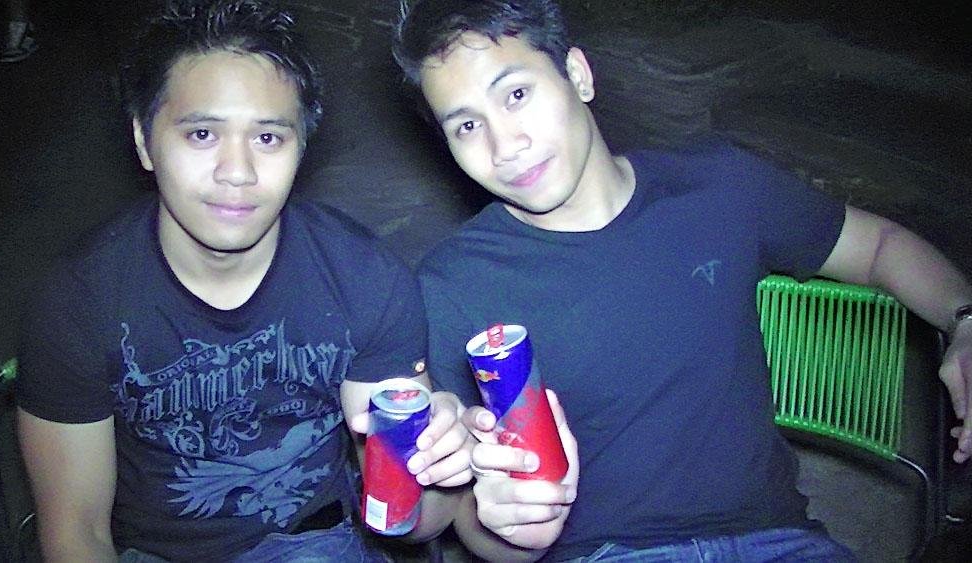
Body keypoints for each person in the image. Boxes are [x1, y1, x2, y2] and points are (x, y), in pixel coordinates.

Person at [392, 1, 972, 561]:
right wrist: (515, 528)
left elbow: (878, 247)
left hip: (779, 541)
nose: (505, 147)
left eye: (516, 94)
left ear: (577, 74)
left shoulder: (720, 190)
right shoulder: (455, 283)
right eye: (467, 125)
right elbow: (469, 520)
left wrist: (964, 319)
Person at [15, 0, 469, 561]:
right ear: (143, 141)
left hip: (316, 544)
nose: (238, 172)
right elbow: (76, 532)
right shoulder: (77, 305)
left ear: (302, 148)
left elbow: (409, 520)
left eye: (269, 138)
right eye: (202, 134)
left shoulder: (366, 281)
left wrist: (442, 473)